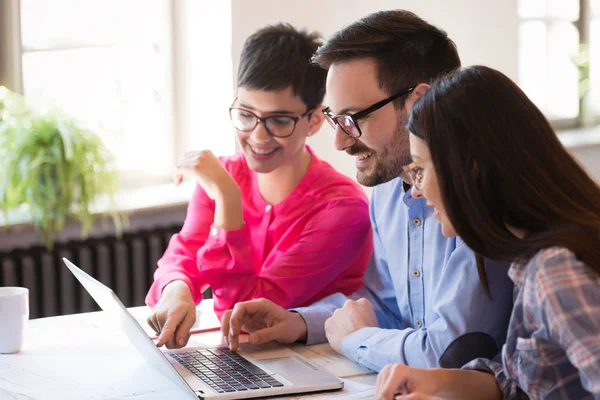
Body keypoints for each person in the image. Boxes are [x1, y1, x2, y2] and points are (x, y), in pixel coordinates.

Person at [221, 10, 515, 372]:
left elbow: (451, 354)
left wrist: (354, 339)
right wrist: (299, 322)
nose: (341, 142)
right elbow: (385, 306)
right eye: (335, 119)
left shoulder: (480, 197)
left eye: (354, 119)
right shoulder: (389, 188)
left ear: (416, 103)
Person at [374, 66, 600, 399]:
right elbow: (516, 385)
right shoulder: (528, 260)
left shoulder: (556, 271)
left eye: (419, 169)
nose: (417, 192)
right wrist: (435, 382)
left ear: (470, 168)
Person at [145, 23, 373, 349]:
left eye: (279, 120)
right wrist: (177, 290)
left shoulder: (342, 209)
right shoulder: (224, 174)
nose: (258, 136)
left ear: (315, 122)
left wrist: (227, 198)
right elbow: (184, 252)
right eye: (246, 114)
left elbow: (243, 315)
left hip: (319, 366)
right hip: (252, 360)